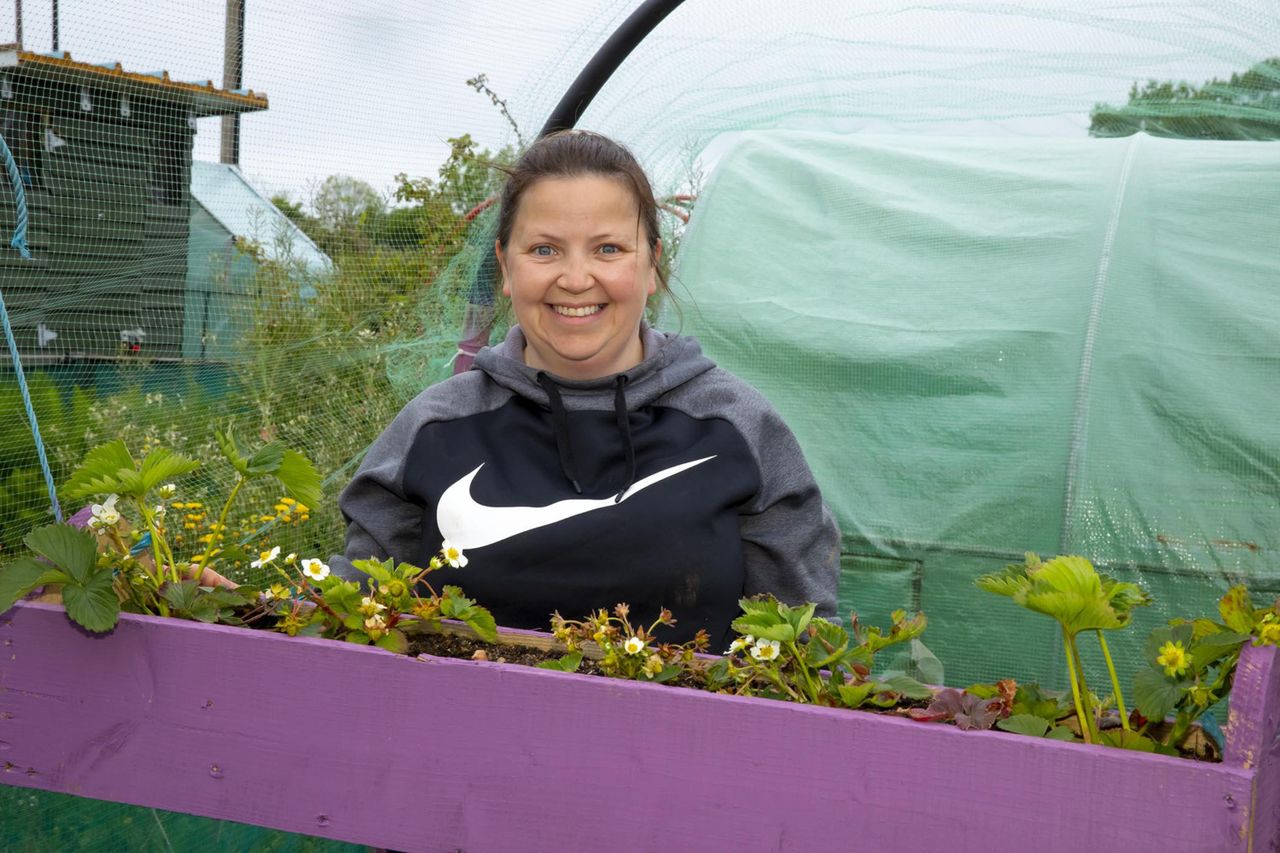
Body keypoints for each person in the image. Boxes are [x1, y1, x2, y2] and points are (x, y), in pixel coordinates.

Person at [332, 130, 838, 647]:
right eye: (545, 249)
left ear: (651, 267)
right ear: (507, 266)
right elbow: (353, 621)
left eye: (609, 248)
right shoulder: (434, 428)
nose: (575, 279)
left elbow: (802, 649)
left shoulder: (738, 427)